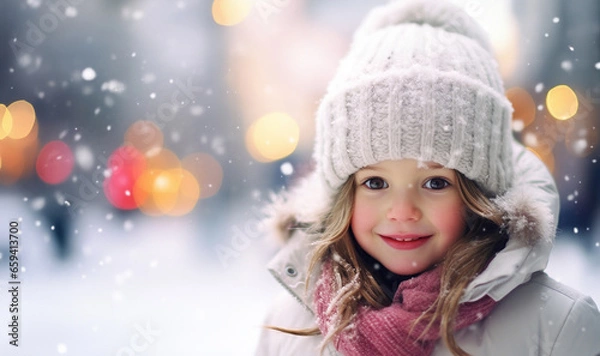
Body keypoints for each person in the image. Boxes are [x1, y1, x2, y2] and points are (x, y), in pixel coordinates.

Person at [255, 0, 600, 355]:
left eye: (435, 183)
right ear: (344, 195)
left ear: (479, 193)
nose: (402, 211)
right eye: (375, 183)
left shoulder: (555, 326)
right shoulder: (290, 328)